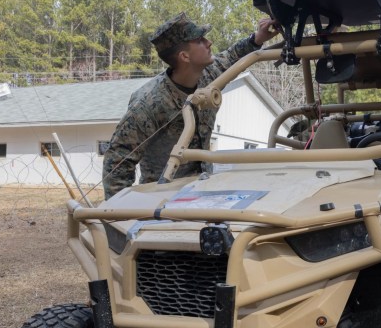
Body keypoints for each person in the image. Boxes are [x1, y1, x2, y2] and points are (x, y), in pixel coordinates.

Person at [103, 12, 278, 199]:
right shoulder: (149, 102)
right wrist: (122, 215)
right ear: (185, 56)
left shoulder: (209, 76)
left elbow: (232, 56)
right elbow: (117, 164)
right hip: (161, 201)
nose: (209, 42)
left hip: (202, 192)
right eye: (200, 40)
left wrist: (258, 38)